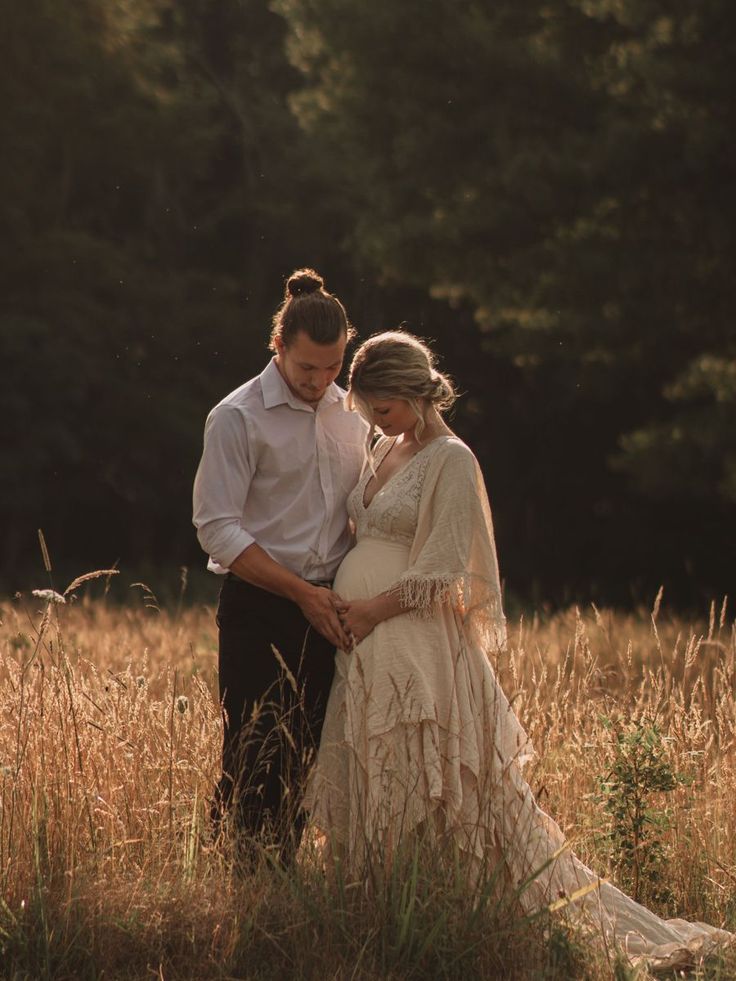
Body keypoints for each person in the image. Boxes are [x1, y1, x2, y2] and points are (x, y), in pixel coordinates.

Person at [304, 330, 733, 970]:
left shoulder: (452, 460)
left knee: (431, 784)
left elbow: (444, 569)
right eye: (369, 413)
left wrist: (367, 608)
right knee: (377, 768)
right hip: (365, 645)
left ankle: (456, 916)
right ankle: (385, 909)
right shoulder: (385, 446)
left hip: (413, 641)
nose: (376, 422)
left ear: (416, 393)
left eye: (384, 409)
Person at [192, 268, 367, 857]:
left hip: (336, 608)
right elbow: (217, 529)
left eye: (332, 367)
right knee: (256, 751)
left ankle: (278, 885)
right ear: (278, 347)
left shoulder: (355, 414)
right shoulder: (237, 417)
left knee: (314, 754)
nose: (320, 381)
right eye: (306, 368)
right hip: (260, 606)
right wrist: (300, 593)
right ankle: (244, 886)